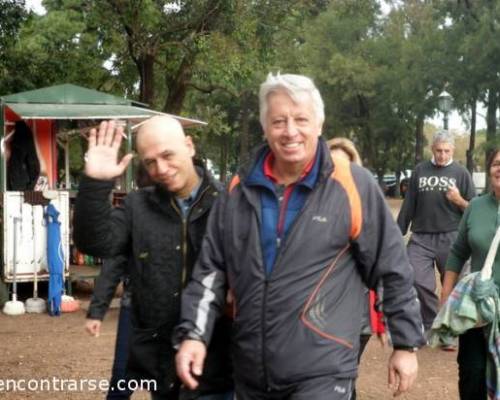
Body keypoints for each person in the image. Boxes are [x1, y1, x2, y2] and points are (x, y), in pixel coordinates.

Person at [174, 73, 424, 400]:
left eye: (301, 119)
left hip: (323, 369)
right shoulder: (237, 192)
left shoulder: (352, 184)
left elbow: (390, 266)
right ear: (265, 127)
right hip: (252, 371)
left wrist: (405, 343)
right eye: (279, 121)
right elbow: (210, 271)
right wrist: (193, 334)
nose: (290, 131)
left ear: (319, 125)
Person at [73, 116, 233, 400]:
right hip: (162, 367)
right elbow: (95, 243)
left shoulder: (229, 203)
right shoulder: (138, 206)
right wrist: (95, 185)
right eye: (150, 162)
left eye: (168, 155)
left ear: (189, 146)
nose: (161, 168)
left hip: (217, 367)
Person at [397, 130, 475, 339]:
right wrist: (396, 235)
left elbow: (474, 208)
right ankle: (433, 324)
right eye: (439, 150)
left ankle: (448, 330)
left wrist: (458, 200)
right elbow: (409, 205)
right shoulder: (420, 170)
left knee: (455, 285)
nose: (442, 155)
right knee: (416, 279)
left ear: (452, 151)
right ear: (432, 149)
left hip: (451, 237)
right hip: (421, 238)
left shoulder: (461, 173)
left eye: (446, 151)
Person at [85, 165, 152, 400]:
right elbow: (114, 263)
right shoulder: (133, 212)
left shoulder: (186, 212)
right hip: (134, 308)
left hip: (174, 312)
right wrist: (97, 310)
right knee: (122, 379)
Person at [327, 137, 387, 400]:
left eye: (346, 165)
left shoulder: (368, 211)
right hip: (316, 314)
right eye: (332, 164)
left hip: (357, 316)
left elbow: (385, 266)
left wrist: (384, 320)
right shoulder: (304, 208)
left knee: (343, 376)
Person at [439, 148, 500, 400]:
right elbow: (457, 252)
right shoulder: (475, 206)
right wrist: (445, 294)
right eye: (497, 163)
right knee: (471, 372)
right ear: (490, 170)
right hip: (476, 308)